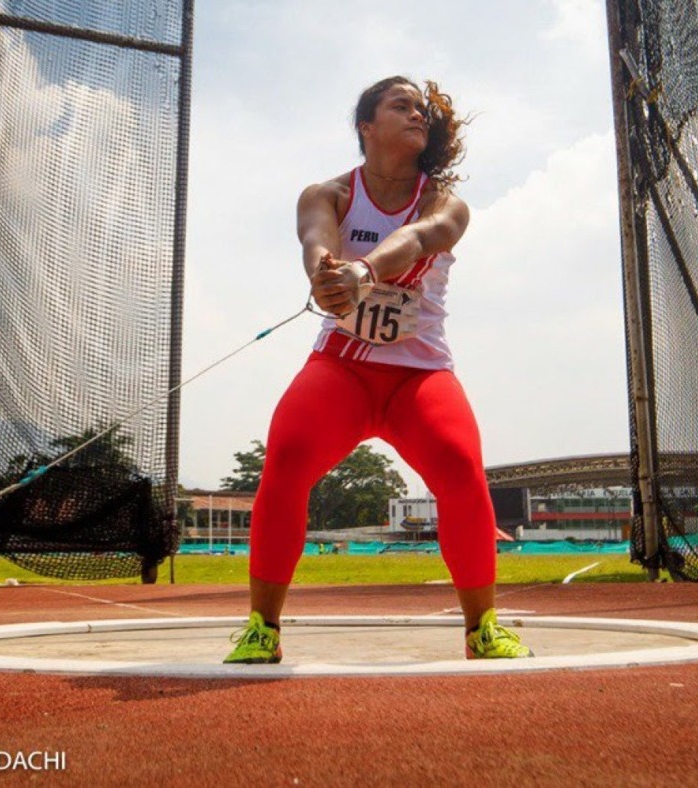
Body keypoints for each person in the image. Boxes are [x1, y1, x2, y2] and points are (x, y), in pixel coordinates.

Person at [224, 76, 532, 663]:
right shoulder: (328, 193)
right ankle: (262, 629)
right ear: (366, 126)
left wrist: (362, 272)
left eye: (421, 109)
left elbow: (420, 238)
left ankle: (483, 628)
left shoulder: (444, 202)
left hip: (419, 375)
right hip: (341, 368)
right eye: (400, 106)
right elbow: (316, 239)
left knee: (463, 469)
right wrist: (323, 272)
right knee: (285, 461)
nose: (417, 114)